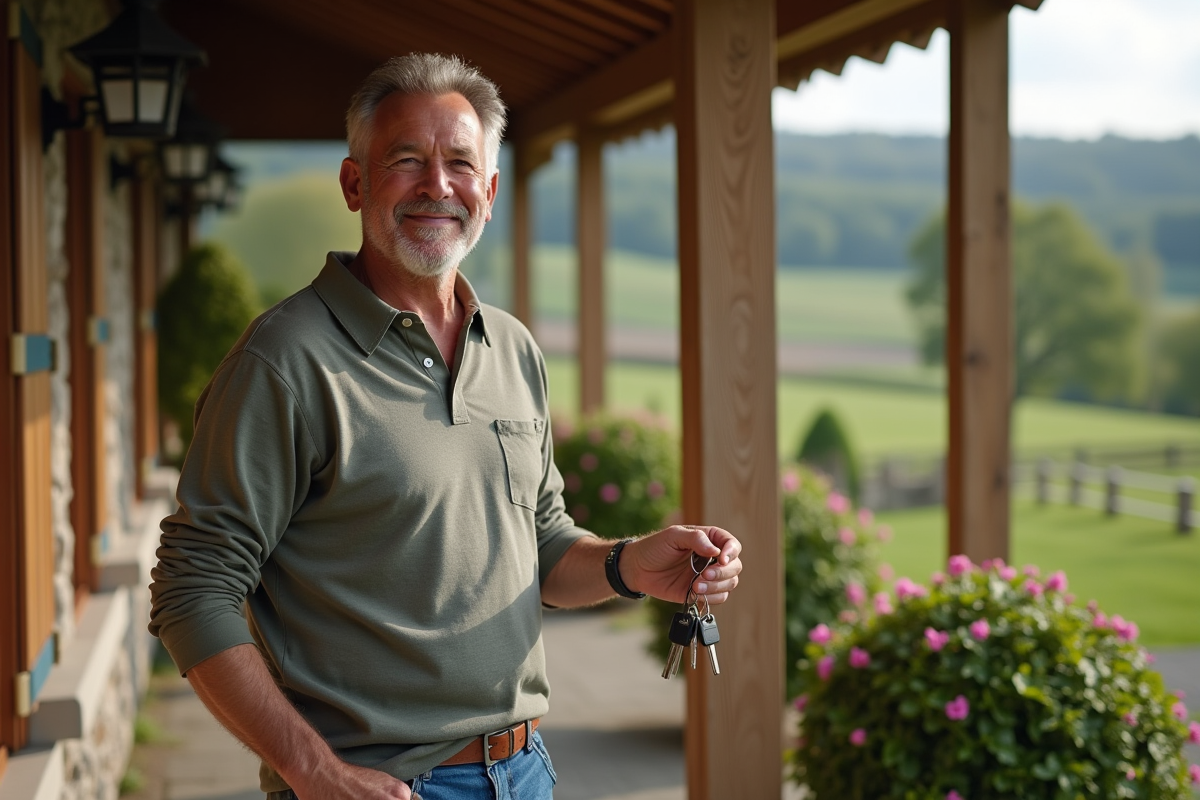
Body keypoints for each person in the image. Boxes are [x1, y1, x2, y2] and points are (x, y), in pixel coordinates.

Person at [148, 53, 743, 800]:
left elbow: (541, 541)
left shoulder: (513, 347)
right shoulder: (284, 361)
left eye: (461, 164)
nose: (438, 186)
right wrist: (312, 770)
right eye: (406, 160)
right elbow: (193, 586)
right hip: (379, 786)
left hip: (525, 772)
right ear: (354, 183)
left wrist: (629, 563)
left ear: (489, 192)